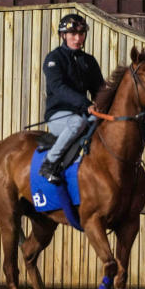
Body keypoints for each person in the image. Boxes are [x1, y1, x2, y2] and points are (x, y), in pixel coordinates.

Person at [38, 13, 104, 184]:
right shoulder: (54, 59)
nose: (78, 38)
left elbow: (100, 90)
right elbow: (58, 88)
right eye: (73, 34)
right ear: (63, 35)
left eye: (81, 34)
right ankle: (49, 164)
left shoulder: (89, 61)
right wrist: (86, 104)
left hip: (84, 113)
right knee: (77, 122)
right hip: (58, 115)